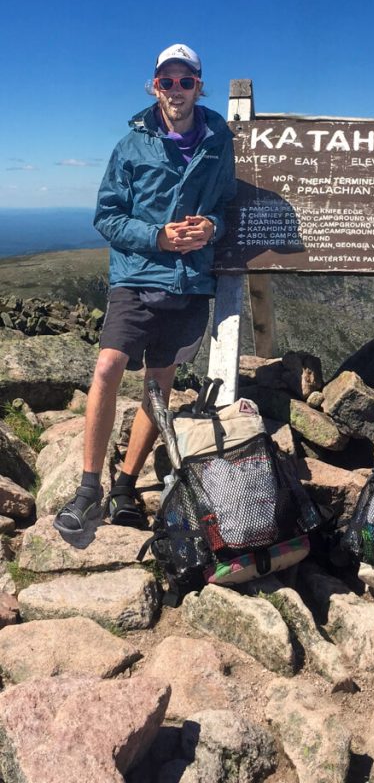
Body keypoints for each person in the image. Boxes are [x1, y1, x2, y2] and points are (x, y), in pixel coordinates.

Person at [53, 44, 236, 537]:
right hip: (136, 276)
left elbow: (224, 202)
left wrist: (210, 228)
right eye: (167, 81)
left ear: (200, 86)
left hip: (189, 280)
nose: (176, 90)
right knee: (108, 367)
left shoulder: (220, 141)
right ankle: (89, 487)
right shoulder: (130, 146)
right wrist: (157, 236)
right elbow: (107, 217)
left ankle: (125, 486)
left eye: (186, 81)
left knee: (158, 387)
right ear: (153, 86)